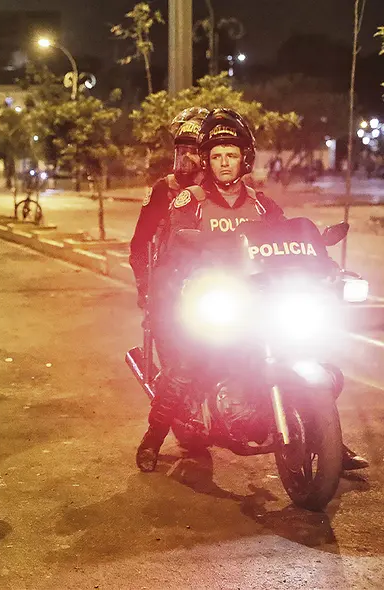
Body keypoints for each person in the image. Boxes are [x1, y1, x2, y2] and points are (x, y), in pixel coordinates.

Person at [134, 110, 369, 473]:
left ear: (244, 158)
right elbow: (173, 247)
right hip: (210, 299)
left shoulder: (261, 203)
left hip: (259, 301)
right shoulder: (191, 201)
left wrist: (324, 262)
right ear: (207, 161)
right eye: (216, 156)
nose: (224, 163)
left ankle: (326, 438)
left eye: (231, 155)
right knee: (187, 366)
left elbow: (289, 238)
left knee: (310, 351)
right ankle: (153, 437)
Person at [129, 107, 209, 308]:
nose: (187, 159)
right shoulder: (164, 189)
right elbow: (140, 242)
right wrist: (144, 284)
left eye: (194, 153)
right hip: (170, 283)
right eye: (183, 152)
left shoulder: (221, 191)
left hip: (215, 284)